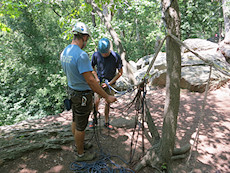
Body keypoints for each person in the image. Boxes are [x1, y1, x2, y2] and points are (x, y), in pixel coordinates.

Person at [60, 22, 117, 161]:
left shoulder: (65, 52)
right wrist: (107, 97)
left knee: (75, 119)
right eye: (87, 38)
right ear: (84, 37)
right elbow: (91, 81)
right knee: (81, 125)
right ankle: (81, 154)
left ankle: (78, 144)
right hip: (82, 95)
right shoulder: (81, 55)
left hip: (72, 91)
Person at [90, 38, 123, 130]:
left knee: (108, 102)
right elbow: (91, 67)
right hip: (99, 82)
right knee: (96, 101)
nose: (103, 55)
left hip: (110, 83)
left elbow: (120, 72)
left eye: (105, 52)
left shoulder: (115, 56)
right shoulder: (96, 55)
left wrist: (110, 83)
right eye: (102, 53)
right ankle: (94, 119)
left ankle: (106, 121)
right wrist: (96, 78)